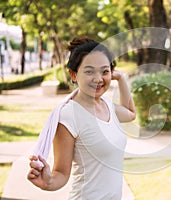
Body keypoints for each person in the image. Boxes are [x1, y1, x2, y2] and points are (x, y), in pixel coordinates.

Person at [27, 36, 136, 199]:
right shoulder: (68, 115)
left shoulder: (107, 104)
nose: (98, 79)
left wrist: (121, 78)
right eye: (89, 71)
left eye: (104, 71)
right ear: (73, 74)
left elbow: (131, 113)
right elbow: (61, 174)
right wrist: (48, 182)